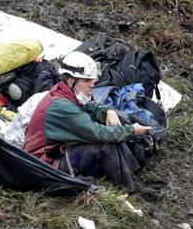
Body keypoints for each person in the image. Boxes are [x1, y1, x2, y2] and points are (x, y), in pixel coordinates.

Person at [22, 51, 153, 189]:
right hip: (42, 167)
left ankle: (132, 175)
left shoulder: (65, 92)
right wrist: (131, 130)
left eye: (92, 80)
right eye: (86, 80)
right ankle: (127, 189)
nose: (92, 84)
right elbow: (97, 133)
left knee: (114, 133)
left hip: (54, 153)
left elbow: (91, 106)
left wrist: (109, 111)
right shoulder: (62, 107)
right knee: (106, 144)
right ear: (71, 81)